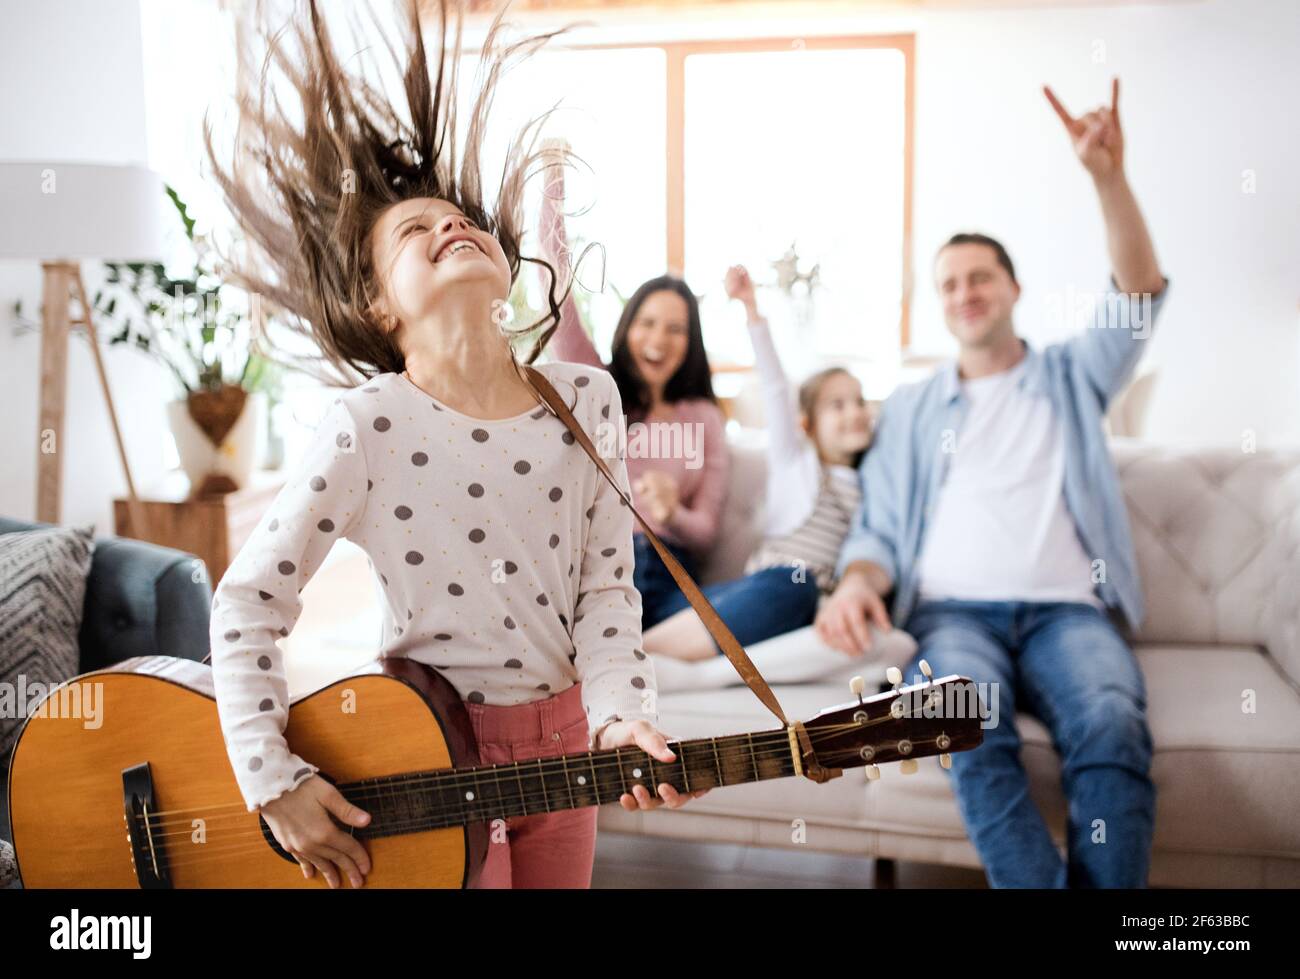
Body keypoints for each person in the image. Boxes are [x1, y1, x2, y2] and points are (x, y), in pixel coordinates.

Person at [204, 0, 705, 891]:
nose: (449, 226)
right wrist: (270, 780)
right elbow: (247, 601)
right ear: (378, 307)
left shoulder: (585, 398)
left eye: (462, 219)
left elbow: (606, 588)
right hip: (425, 751)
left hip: (568, 753)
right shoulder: (367, 424)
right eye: (412, 230)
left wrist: (622, 717)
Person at [815, 78, 1168, 888]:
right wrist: (854, 583)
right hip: (952, 616)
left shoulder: (1074, 376)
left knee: (1112, 722)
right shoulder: (910, 408)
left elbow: (1138, 295)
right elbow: (878, 531)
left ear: (1012, 289)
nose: (964, 293)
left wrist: (1107, 177)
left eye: (980, 277)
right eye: (948, 283)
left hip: (1067, 614)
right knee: (957, 721)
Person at [537, 148, 730, 633]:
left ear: (691, 343)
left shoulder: (704, 417)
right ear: (627, 328)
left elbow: (706, 533)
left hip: (668, 576)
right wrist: (552, 188)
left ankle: (646, 641)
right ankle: (636, 640)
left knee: (791, 590)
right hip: (598, 566)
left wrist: (674, 513)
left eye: (675, 329)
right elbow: (554, 288)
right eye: (647, 323)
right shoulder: (598, 385)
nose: (659, 340)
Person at [643, 264, 872, 661]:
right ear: (808, 425)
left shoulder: (874, 479)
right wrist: (751, 309)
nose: (854, 412)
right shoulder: (794, 462)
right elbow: (775, 387)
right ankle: (636, 652)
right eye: (837, 405)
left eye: (859, 401)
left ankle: (641, 648)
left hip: (799, 601)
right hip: (760, 587)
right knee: (791, 585)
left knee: (800, 594)